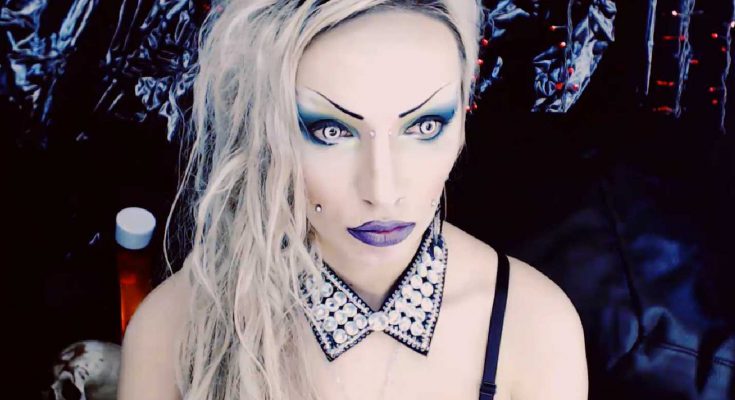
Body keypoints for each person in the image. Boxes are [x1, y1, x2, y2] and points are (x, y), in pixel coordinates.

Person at [117, 1, 588, 399]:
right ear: (265, 131)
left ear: (463, 116)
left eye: (424, 126)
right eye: (331, 131)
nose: (382, 193)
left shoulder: (534, 329)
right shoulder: (173, 331)